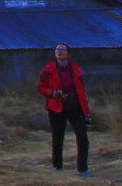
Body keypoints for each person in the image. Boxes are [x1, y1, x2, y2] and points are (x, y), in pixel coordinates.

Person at [37, 43, 92, 176]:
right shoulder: (49, 69)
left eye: (63, 50)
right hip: (56, 107)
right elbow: (41, 87)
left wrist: (87, 112)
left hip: (75, 107)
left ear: (68, 54)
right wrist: (54, 93)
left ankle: (83, 170)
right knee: (58, 137)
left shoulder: (76, 69)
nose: (59, 52)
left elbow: (81, 92)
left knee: (83, 137)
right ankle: (57, 167)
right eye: (57, 50)